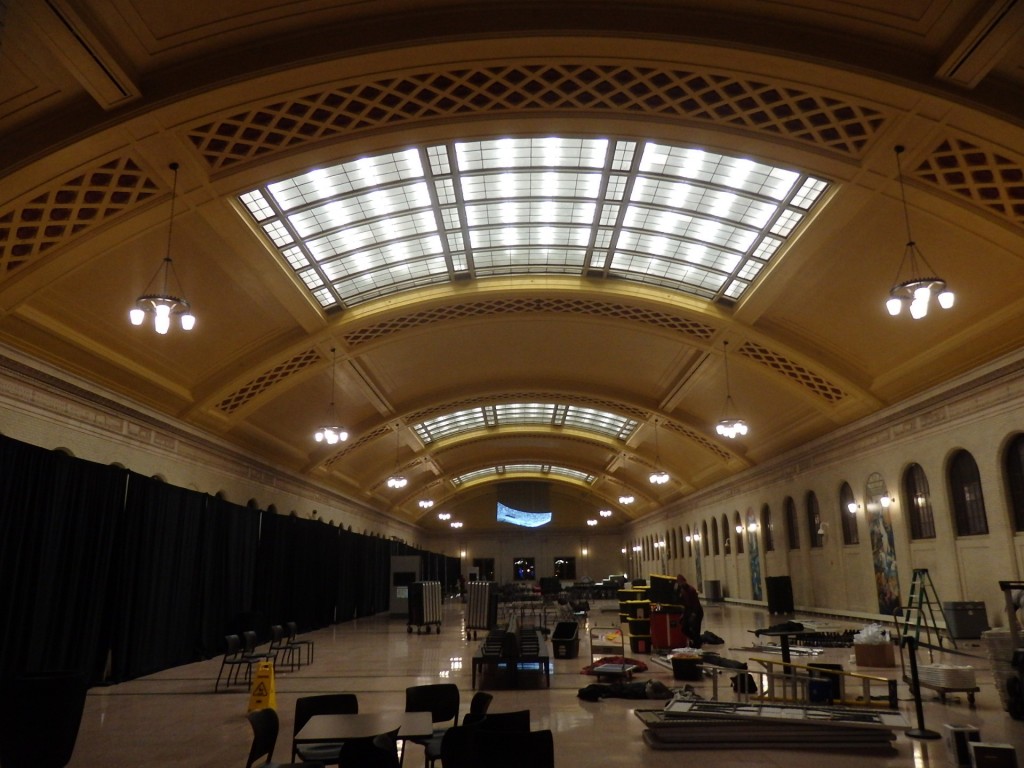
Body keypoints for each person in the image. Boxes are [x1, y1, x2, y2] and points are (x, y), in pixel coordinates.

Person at [674, 575, 704, 647]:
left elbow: (696, 604)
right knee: (684, 628)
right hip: (689, 611)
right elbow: (685, 605)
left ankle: (697, 643)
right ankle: (696, 640)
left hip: (697, 612)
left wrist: (693, 615)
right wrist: (683, 615)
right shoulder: (682, 590)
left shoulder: (691, 590)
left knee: (696, 629)